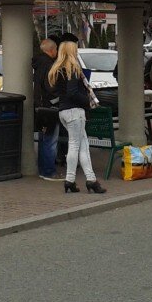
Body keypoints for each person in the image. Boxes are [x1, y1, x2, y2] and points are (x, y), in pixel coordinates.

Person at [48, 40, 105, 194]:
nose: (77, 51)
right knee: (75, 146)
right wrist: (87, 101)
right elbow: (72, 92)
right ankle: (75, 180)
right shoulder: (72, 68)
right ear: (71, 52)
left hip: (63, 111)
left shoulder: (57, 69)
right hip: (75, 111)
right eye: (75, 49)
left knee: (82, 145)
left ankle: (87, 180)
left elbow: (56, 92)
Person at [32, 38, 61, 181]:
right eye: (56, 49)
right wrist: (58, 99)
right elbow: (51, 88)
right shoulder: (50, 65)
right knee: (51, 140)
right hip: (50, 107)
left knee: (43, 139)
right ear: (52, 50)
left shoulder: (38, 64)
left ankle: (43, 169)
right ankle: (49, 171)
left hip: (40, 106)